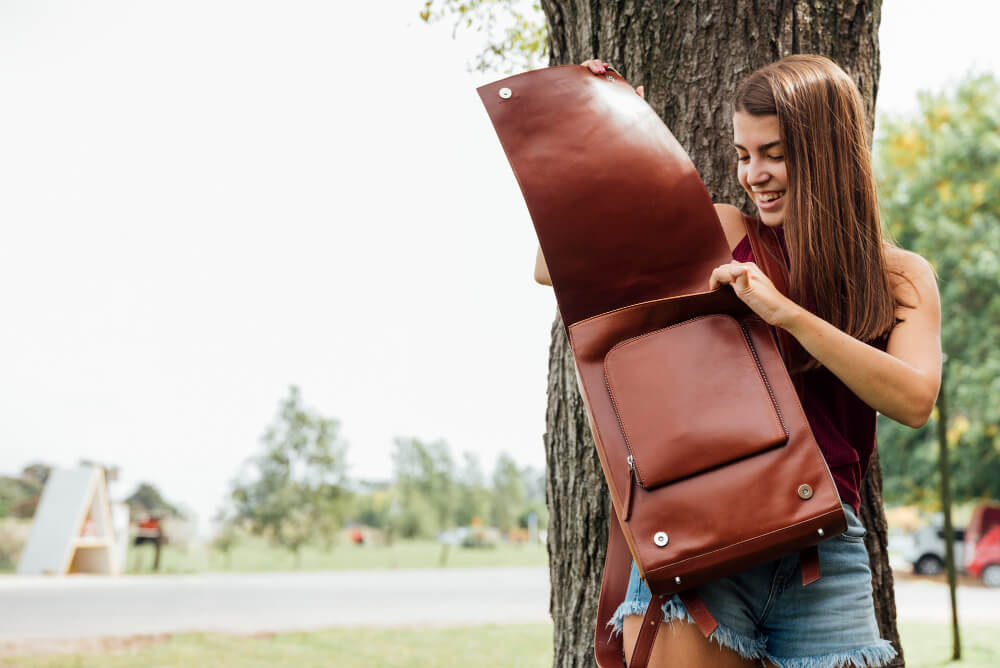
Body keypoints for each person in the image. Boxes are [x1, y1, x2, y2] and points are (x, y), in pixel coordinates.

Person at [533, 55, 942, 668]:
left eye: (773, 152)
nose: (754, 174)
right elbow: (554, 267)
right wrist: (604, 136)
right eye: (743, 154)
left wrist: (788, 315)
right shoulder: (723, 233)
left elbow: (913, 399)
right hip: (705, 535)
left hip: (827, 555)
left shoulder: (899, 276)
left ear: (826, 150)